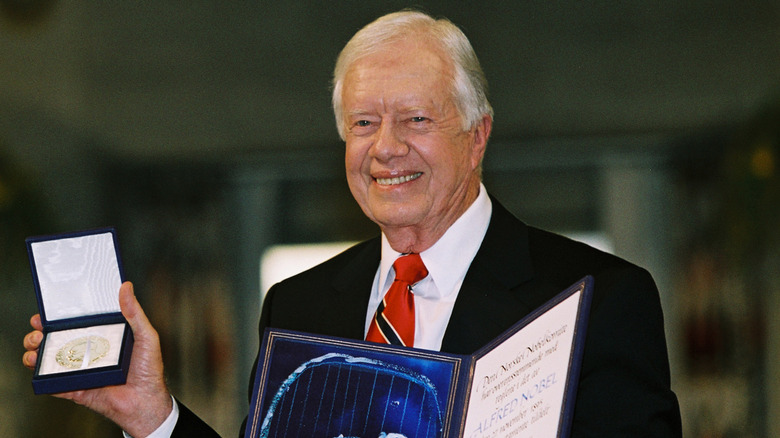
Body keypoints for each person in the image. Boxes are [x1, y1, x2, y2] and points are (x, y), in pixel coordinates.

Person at [22, 9, 682, 437]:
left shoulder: (597, 298)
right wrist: (154, 416)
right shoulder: (299, 304)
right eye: (364, 123)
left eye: (416, 119)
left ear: (476, 136)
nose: (386, 147)